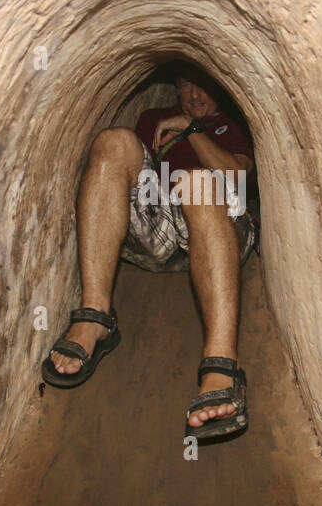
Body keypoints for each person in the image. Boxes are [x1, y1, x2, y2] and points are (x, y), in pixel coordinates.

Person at [40, 62, 258, 441]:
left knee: (198, 182)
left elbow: (236, 174)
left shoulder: (230, 124)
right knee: (111, 141)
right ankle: (95, 318)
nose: (194, 95)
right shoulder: (152, 118)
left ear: (219, 91)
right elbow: (134, 171)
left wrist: (190, 131)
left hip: (218, 222)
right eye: (186, 86)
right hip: (159, 227)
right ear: (176, 90)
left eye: (203, 87)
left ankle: (222, 365)